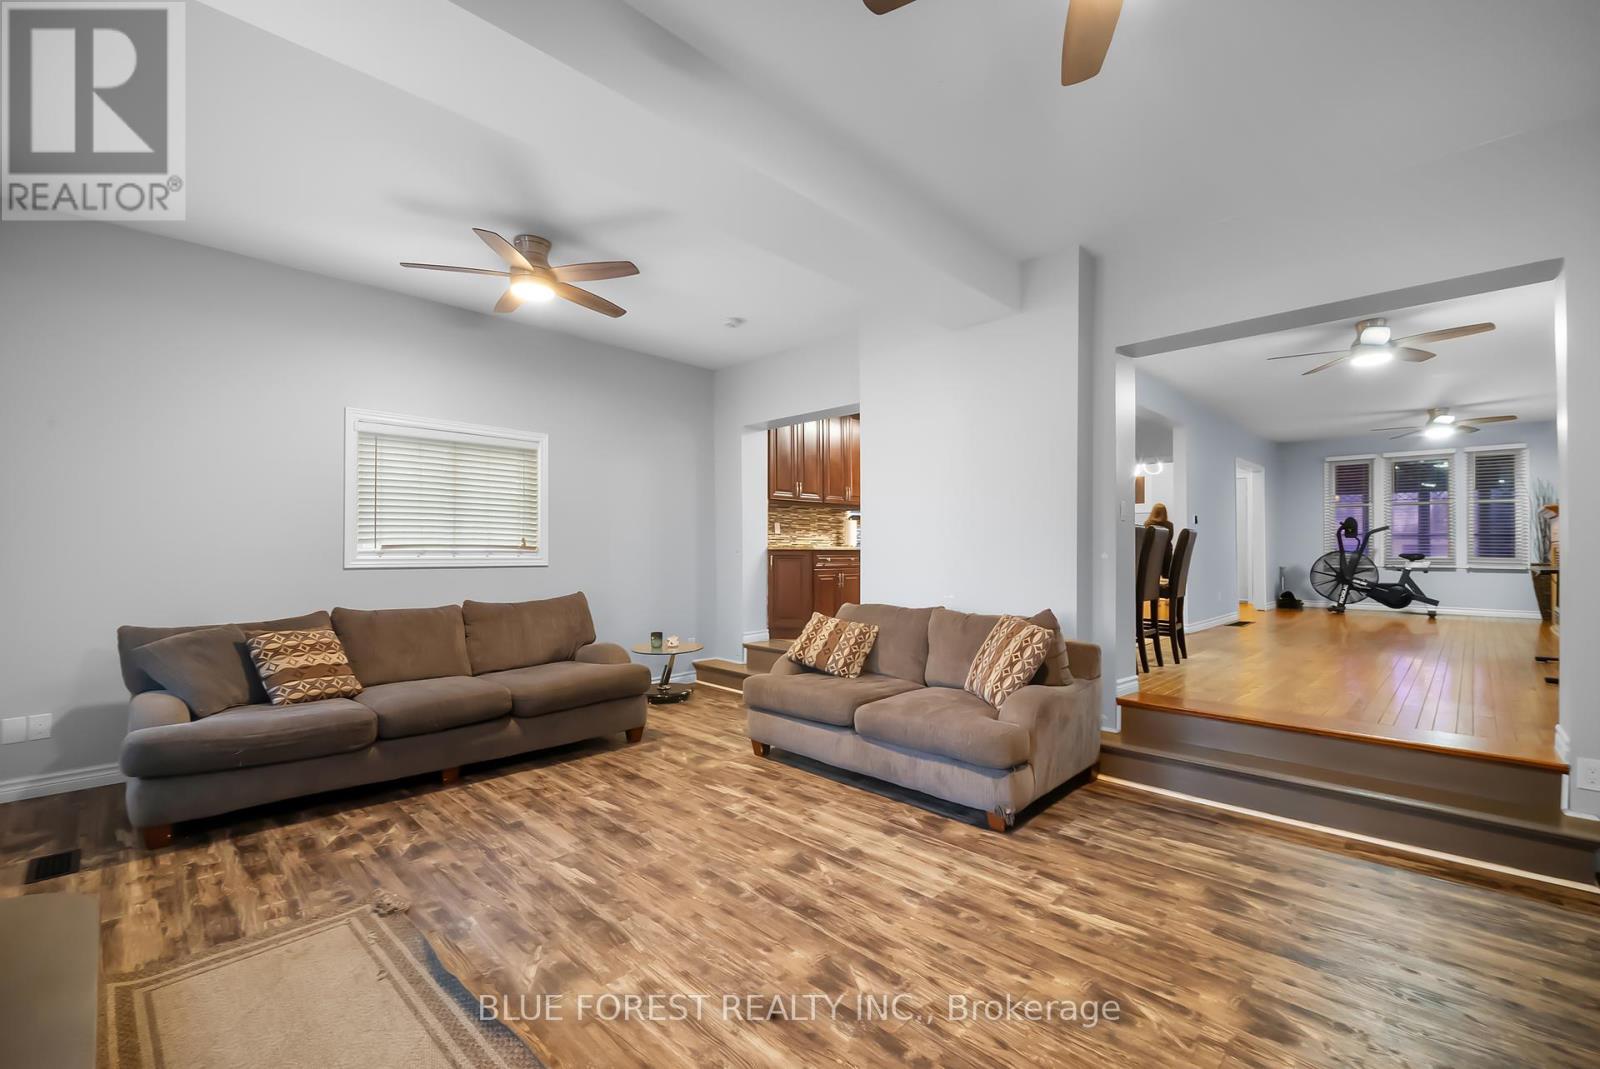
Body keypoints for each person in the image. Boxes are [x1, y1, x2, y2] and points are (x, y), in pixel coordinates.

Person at [1144, 503, 1175, 579]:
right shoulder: (1169, 525)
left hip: (1151, 557)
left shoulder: (1147, 524)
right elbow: (1170, 538)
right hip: (1166, 558)